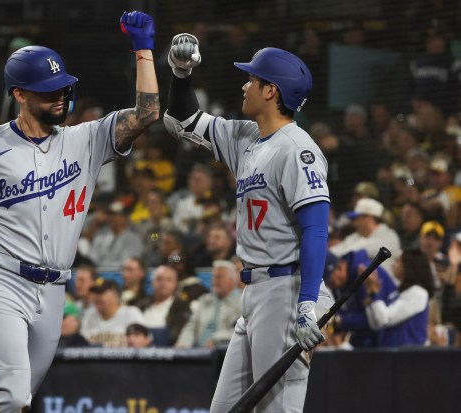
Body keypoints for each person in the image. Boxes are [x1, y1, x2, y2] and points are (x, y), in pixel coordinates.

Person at [0, 11, 159, 410]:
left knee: (21, 400)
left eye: (63, 88)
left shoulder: (85, 139)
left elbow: (147, 115)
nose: (60, 96)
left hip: (53, 291)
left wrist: (144, 50)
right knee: (11, 395)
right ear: (19, 94)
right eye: (48, 91)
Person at [163, 35, 334, 412]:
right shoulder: (247, 136)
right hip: (254, 291)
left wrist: (307, 302)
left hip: (285, 290)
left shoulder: (297, 149)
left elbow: (316, 228)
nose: (244, 84)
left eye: (252, 80)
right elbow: (183, 120)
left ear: (271, 91)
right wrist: (181, 73)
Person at [363, 249, 435, 347]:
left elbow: (384, 319)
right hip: (389, 354)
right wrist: (371, 295)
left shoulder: (418, 293)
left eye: (398, 261)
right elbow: (376, 325)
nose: (393, 264)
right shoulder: (396, 294)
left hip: (408, 358)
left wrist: (375, 294)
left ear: (409, 265)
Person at [175, 260, 241, 348]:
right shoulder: (204, 300)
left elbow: (243, 330)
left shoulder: (242, 301)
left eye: (219, 277)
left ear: (232, 280)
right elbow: (191, 326)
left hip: (224, 352)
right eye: (213, 277)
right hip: (198, 350)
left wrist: (217, 338)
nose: (215, 281)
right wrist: (182, 344)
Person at [79, 278, 145, 347]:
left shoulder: (131, 313)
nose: (96, 296)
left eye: (100, 293)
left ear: (116, 296)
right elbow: (82, 345)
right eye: (94, 293)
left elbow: (144, 342)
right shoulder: (90, 314)